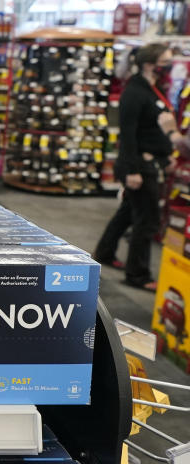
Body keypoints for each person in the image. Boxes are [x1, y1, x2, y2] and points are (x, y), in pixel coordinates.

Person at [94, 43, 177, 291]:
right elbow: (128, 135)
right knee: (146, 220)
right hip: (139, 165)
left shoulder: (151, 89)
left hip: (150, 162)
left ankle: (105, 252)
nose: (169, 66)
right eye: (166, 61)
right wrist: (131, 170)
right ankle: (138, 274)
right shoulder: (135, 92)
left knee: (129, 211)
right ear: (151, 64)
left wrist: (167, 153)